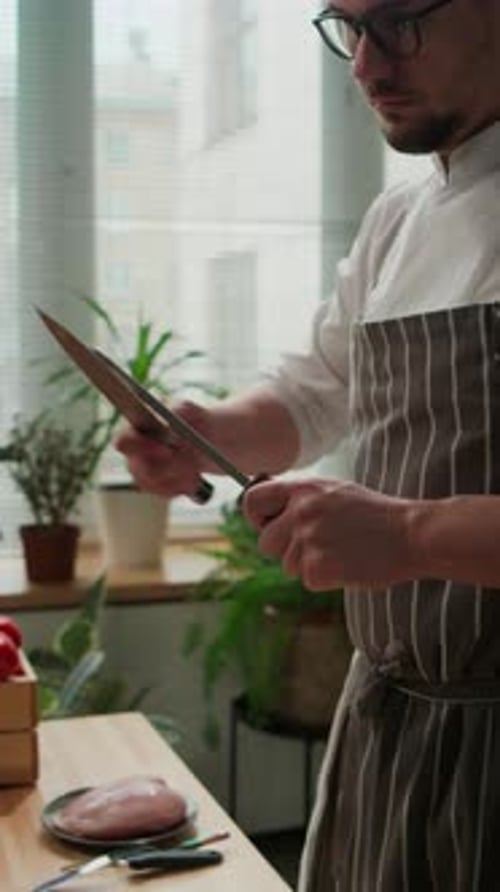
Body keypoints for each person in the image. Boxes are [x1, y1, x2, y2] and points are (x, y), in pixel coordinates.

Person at [116, 1, 500, 889]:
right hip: (387, 724)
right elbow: (315, 392)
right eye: (348, 26)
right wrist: (205, 435)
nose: (364, 66)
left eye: (399, 21)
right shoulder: (397, 223)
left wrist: (408, 536)